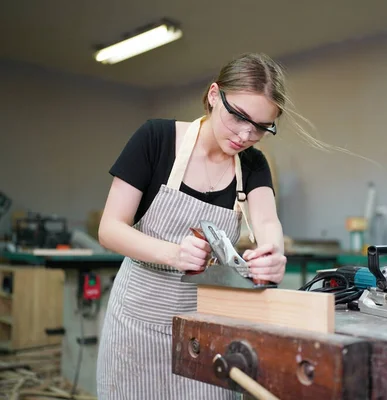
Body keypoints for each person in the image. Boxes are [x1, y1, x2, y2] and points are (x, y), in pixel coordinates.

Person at [96, 53, 295, 399]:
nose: (246, 135)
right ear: (215, 95)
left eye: (261, 127)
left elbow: (266, 221)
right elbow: (110, 228)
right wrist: (173, 254)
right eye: (239, 118)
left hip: (205, 333)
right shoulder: (155, 139)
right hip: (137, 324)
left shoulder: (251, 164)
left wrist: (274, 254)